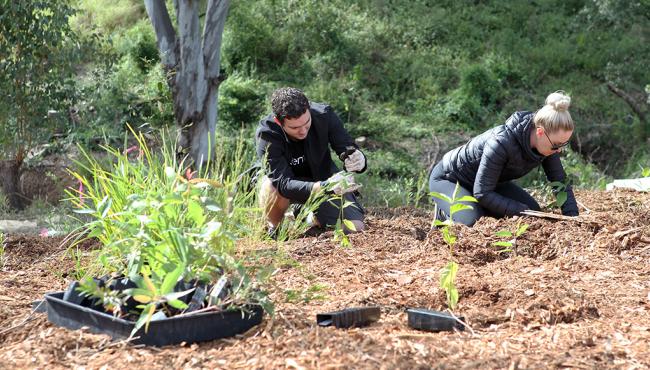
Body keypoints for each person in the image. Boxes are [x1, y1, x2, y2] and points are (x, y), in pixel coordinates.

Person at [428, 91, 579, 226]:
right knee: (473, 222)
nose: (559, 150)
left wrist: (573, 219)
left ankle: (478, 208)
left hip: (489, 183)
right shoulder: (500, 143)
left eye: (564, 144)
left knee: (532, 213)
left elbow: (560, 183)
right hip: (450, 179)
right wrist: (518, 210)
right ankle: (445, 215)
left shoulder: (547, 146)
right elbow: (482, 193)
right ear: (540, 132)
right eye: (557, 145)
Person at [255, 87, 367, 235]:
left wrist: (358, 159)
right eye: (294, 127)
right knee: (270, 185)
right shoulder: (267, 133)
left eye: (307, 123)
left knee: (355, 226)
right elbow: (282, 183)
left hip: (323, 178)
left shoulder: (324, 114)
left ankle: (306, 217)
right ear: (279, 121)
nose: (303, 131)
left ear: (309, 109)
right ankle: (275, 228)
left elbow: (346, 147)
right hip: (287, 187)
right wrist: (325, 186)